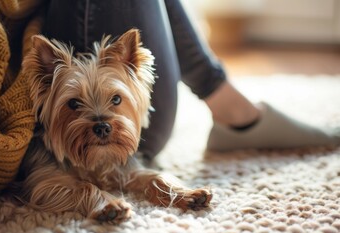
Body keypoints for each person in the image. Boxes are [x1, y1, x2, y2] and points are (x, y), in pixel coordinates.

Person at [43, 0, 339, 161]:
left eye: (116, 98)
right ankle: (232, 110)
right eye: (75, 103)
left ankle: (229, 105)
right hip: (96, 148)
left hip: (142, 134)